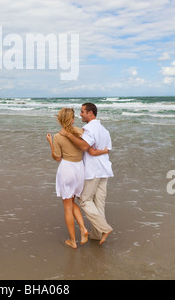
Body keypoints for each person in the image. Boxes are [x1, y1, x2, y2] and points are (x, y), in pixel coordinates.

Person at [46, 107, 109, 250]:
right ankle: (83, 228)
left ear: (61, 120)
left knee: (67, 206)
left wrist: (50, 142)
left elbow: (57, 157)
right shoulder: (80, 132)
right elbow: (87, 148)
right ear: (72, 119)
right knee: (72, 201)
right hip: (80, 169)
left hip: (67, 169)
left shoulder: (58, 136)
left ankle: (73, 241)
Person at [60, 103, 113, 245]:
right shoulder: (104, 130)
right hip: (105, 170)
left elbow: (84, 146)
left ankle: (104, 228)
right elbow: (107, 149)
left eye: (83, 112)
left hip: (93, 170)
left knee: (84, 200)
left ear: (91, 113)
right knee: (98, 204)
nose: (80, 114)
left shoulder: (89, 129)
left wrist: (68, 135)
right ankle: (96, 235)